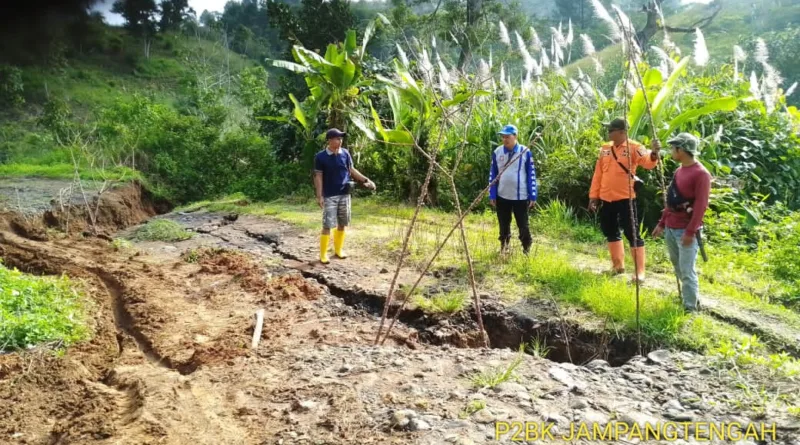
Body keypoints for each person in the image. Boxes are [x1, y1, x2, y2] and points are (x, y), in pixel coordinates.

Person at [588, 118, 660, 283]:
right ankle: (617, 266)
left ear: (622, 132)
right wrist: (594, 196)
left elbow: (648, 162)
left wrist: (654, 153)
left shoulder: (635, 147)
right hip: (606, 198)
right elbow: (598, 174)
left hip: (626, 198)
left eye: (611, 130)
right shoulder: (605, 149)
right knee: (610, 230)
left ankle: (639, 272)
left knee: (632, 232)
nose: (608, 133)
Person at [652, 133, 711, 312]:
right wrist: (662, 223)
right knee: (678, 267)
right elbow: (671, 201)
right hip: (671, 227)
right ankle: (690, 299)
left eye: (673, 148)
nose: (671, 151)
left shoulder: (701, 174)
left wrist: (690, 232)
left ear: (681, 150)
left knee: (687, 271)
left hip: (685, 230)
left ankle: (690, 309)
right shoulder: (679, 171)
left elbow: (701, 206)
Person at [313, 128, 376, 265]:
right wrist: (319, 195)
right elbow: (318, 176)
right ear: (330, 140)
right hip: (329, 195)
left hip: (344, 194)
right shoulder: (321, 157)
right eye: (337, 138)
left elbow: (351, 170)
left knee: (342, 223)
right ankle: (323, 254)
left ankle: (338, 250)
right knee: (327, 225)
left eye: (341, 138)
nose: (340, 141)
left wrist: (366, 180)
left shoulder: (345, 153)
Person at [488, 124, 537, 255]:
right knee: (503, 224)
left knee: (523, 225)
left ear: (515, 136)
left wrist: (533, 195)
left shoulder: (525, 152)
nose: (505, 139)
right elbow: (493, 174)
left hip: (520, 197)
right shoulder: (497, 152)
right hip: (502, 196)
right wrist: (492, 194)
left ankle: (526, 250)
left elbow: (531, 174)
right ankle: (504, 247)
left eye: (507, 137)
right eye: (503, 137)